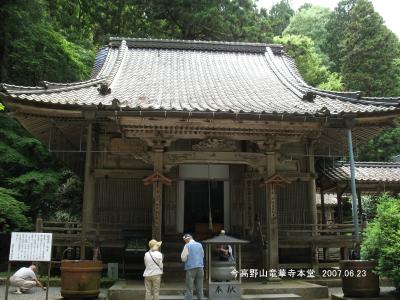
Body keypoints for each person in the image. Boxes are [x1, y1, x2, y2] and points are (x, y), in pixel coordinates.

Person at [181, 234, 204, 300]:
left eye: (184, 240)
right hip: (200, 267)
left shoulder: (187, 245)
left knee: (189, 289)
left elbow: (183, 258)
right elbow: (202, 255)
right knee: (200, 288)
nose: (185, 242)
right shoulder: (199, 244)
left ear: (187, 239)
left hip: (191, 268)